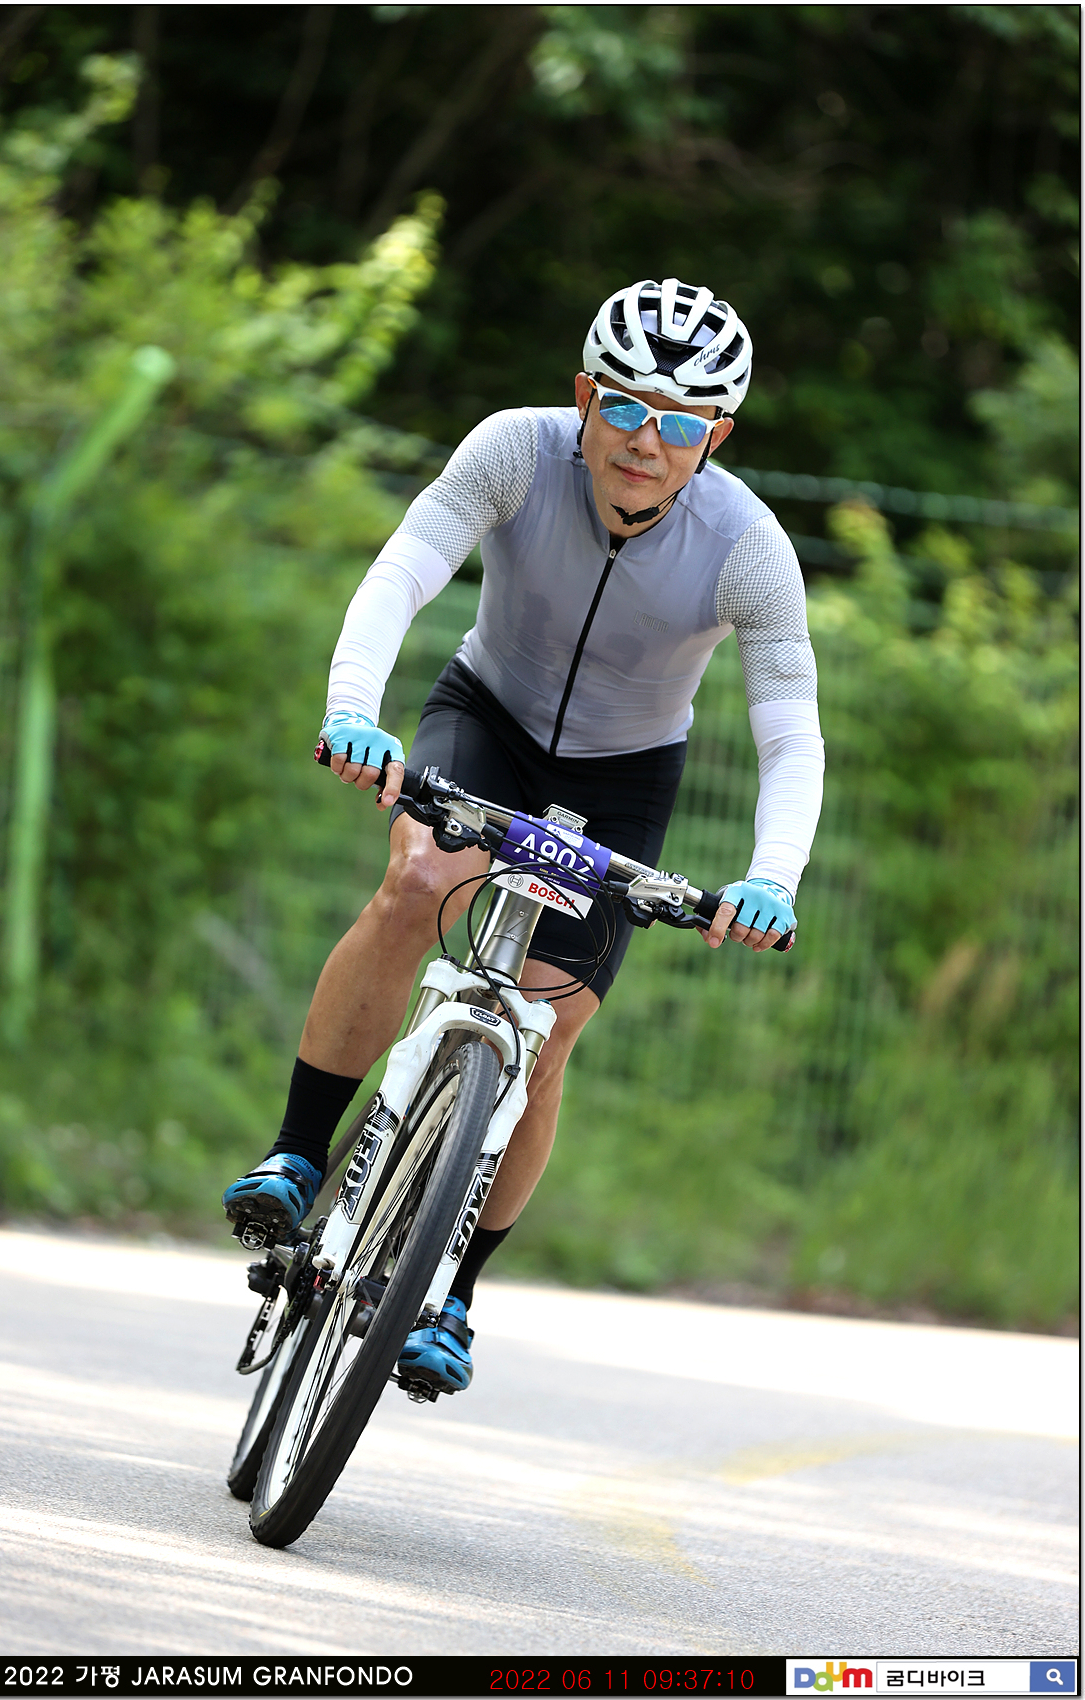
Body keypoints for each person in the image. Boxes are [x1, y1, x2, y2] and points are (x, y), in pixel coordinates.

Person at [223, 277, 825, 1395]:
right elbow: (405, 569)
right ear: (585, 397)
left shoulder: (747, 544)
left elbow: (788, 728)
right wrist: (353, 708)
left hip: (625, 774)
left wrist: (771, 878)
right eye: (627, 407)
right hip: (488, 715)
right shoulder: (514, 450)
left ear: (717, 437)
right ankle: (298, 1152)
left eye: (681, 422)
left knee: (548, 1030)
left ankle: (451, 1292)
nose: (647, 441)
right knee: (419, 879)